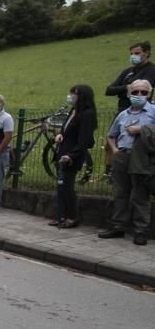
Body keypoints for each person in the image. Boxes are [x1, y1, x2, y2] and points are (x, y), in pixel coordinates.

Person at [98, 79, 155, 245]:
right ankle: (118, 226)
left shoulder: (153, 111)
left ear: (149, 94)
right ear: (129, 94)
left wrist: (141, 130)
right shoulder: (123, 114)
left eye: (143, 92)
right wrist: (115, 150)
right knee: (120, 193)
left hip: (143, 158)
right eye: (135, 92)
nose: (139, 95)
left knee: (140, 195)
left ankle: (140, 231)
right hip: (122, 155)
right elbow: (111, 135)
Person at [103, 41, 155, 177]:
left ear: (147, 53)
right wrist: (126, 87)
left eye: (137, 53)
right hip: (123, 110)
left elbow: (143, 87)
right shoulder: (128, 72)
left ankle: (139, 171)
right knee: (110, 141)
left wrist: (128, 89)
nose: (133, 56)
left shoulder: (151, 70)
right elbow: (109, 90)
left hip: (140, 111)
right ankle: (109, 172)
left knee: (134, 142)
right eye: (131, 54)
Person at [49, 84, 97, 228]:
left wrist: (71, 155)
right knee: (61, 187)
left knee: (68, 187)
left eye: (74, 94)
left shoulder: (87, 114)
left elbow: (84, 140)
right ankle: (60, 215)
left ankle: (72, 217)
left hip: (72, 156)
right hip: (62, 151)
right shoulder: (73, 111)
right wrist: (60, 134)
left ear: (82, 96)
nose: (71, 96)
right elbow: (66, 129)